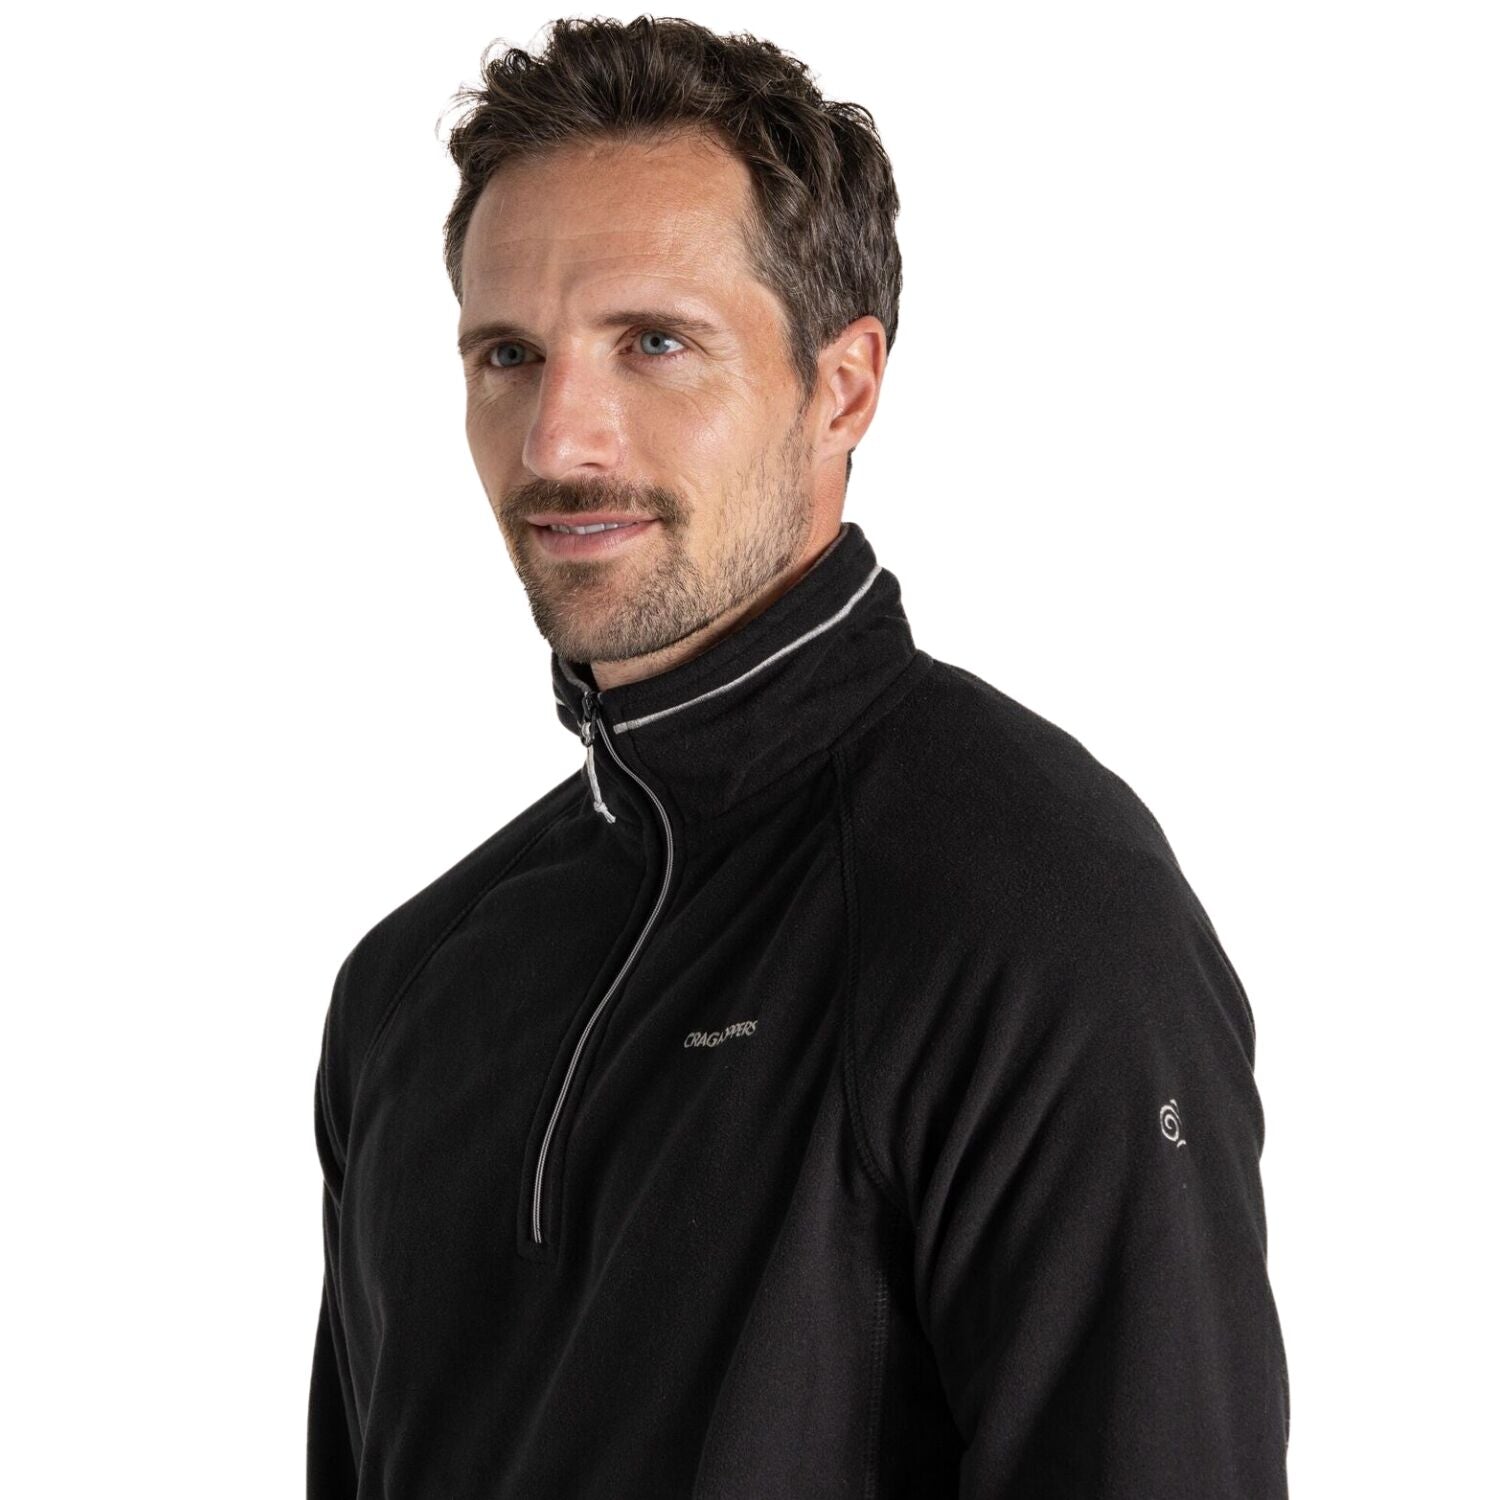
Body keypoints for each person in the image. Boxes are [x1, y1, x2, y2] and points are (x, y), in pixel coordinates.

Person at [307, 16, 1291, 1498]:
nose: (558, 440)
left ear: (843, 387)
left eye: (655, 344)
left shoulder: (1039, 916)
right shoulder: (412, 986)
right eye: (509, 355)